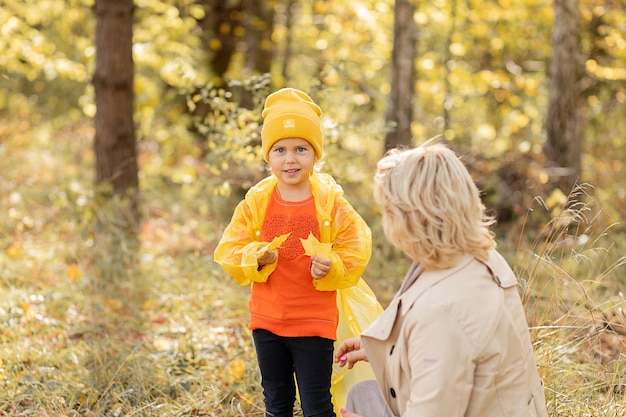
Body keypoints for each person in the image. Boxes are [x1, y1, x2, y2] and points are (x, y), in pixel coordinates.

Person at [334, 142, 549, 417]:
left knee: (359, 404)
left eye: (388, 211)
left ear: (409, 219)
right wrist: (387, 349)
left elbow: (444, 329)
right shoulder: (480, 257)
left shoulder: (440, 311)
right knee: (363, 394)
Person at [214, 87, 372, 417]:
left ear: (316, 155)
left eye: (301, 149)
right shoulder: (257, 202)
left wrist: (332, 266)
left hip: (314, 322)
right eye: (280, 150)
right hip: (267, 320)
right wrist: (255, 256)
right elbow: (230, 248)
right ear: (267, 156)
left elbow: (356, 245)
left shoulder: (330, 204)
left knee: (316, 404)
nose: (290, 159)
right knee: (277, 402)